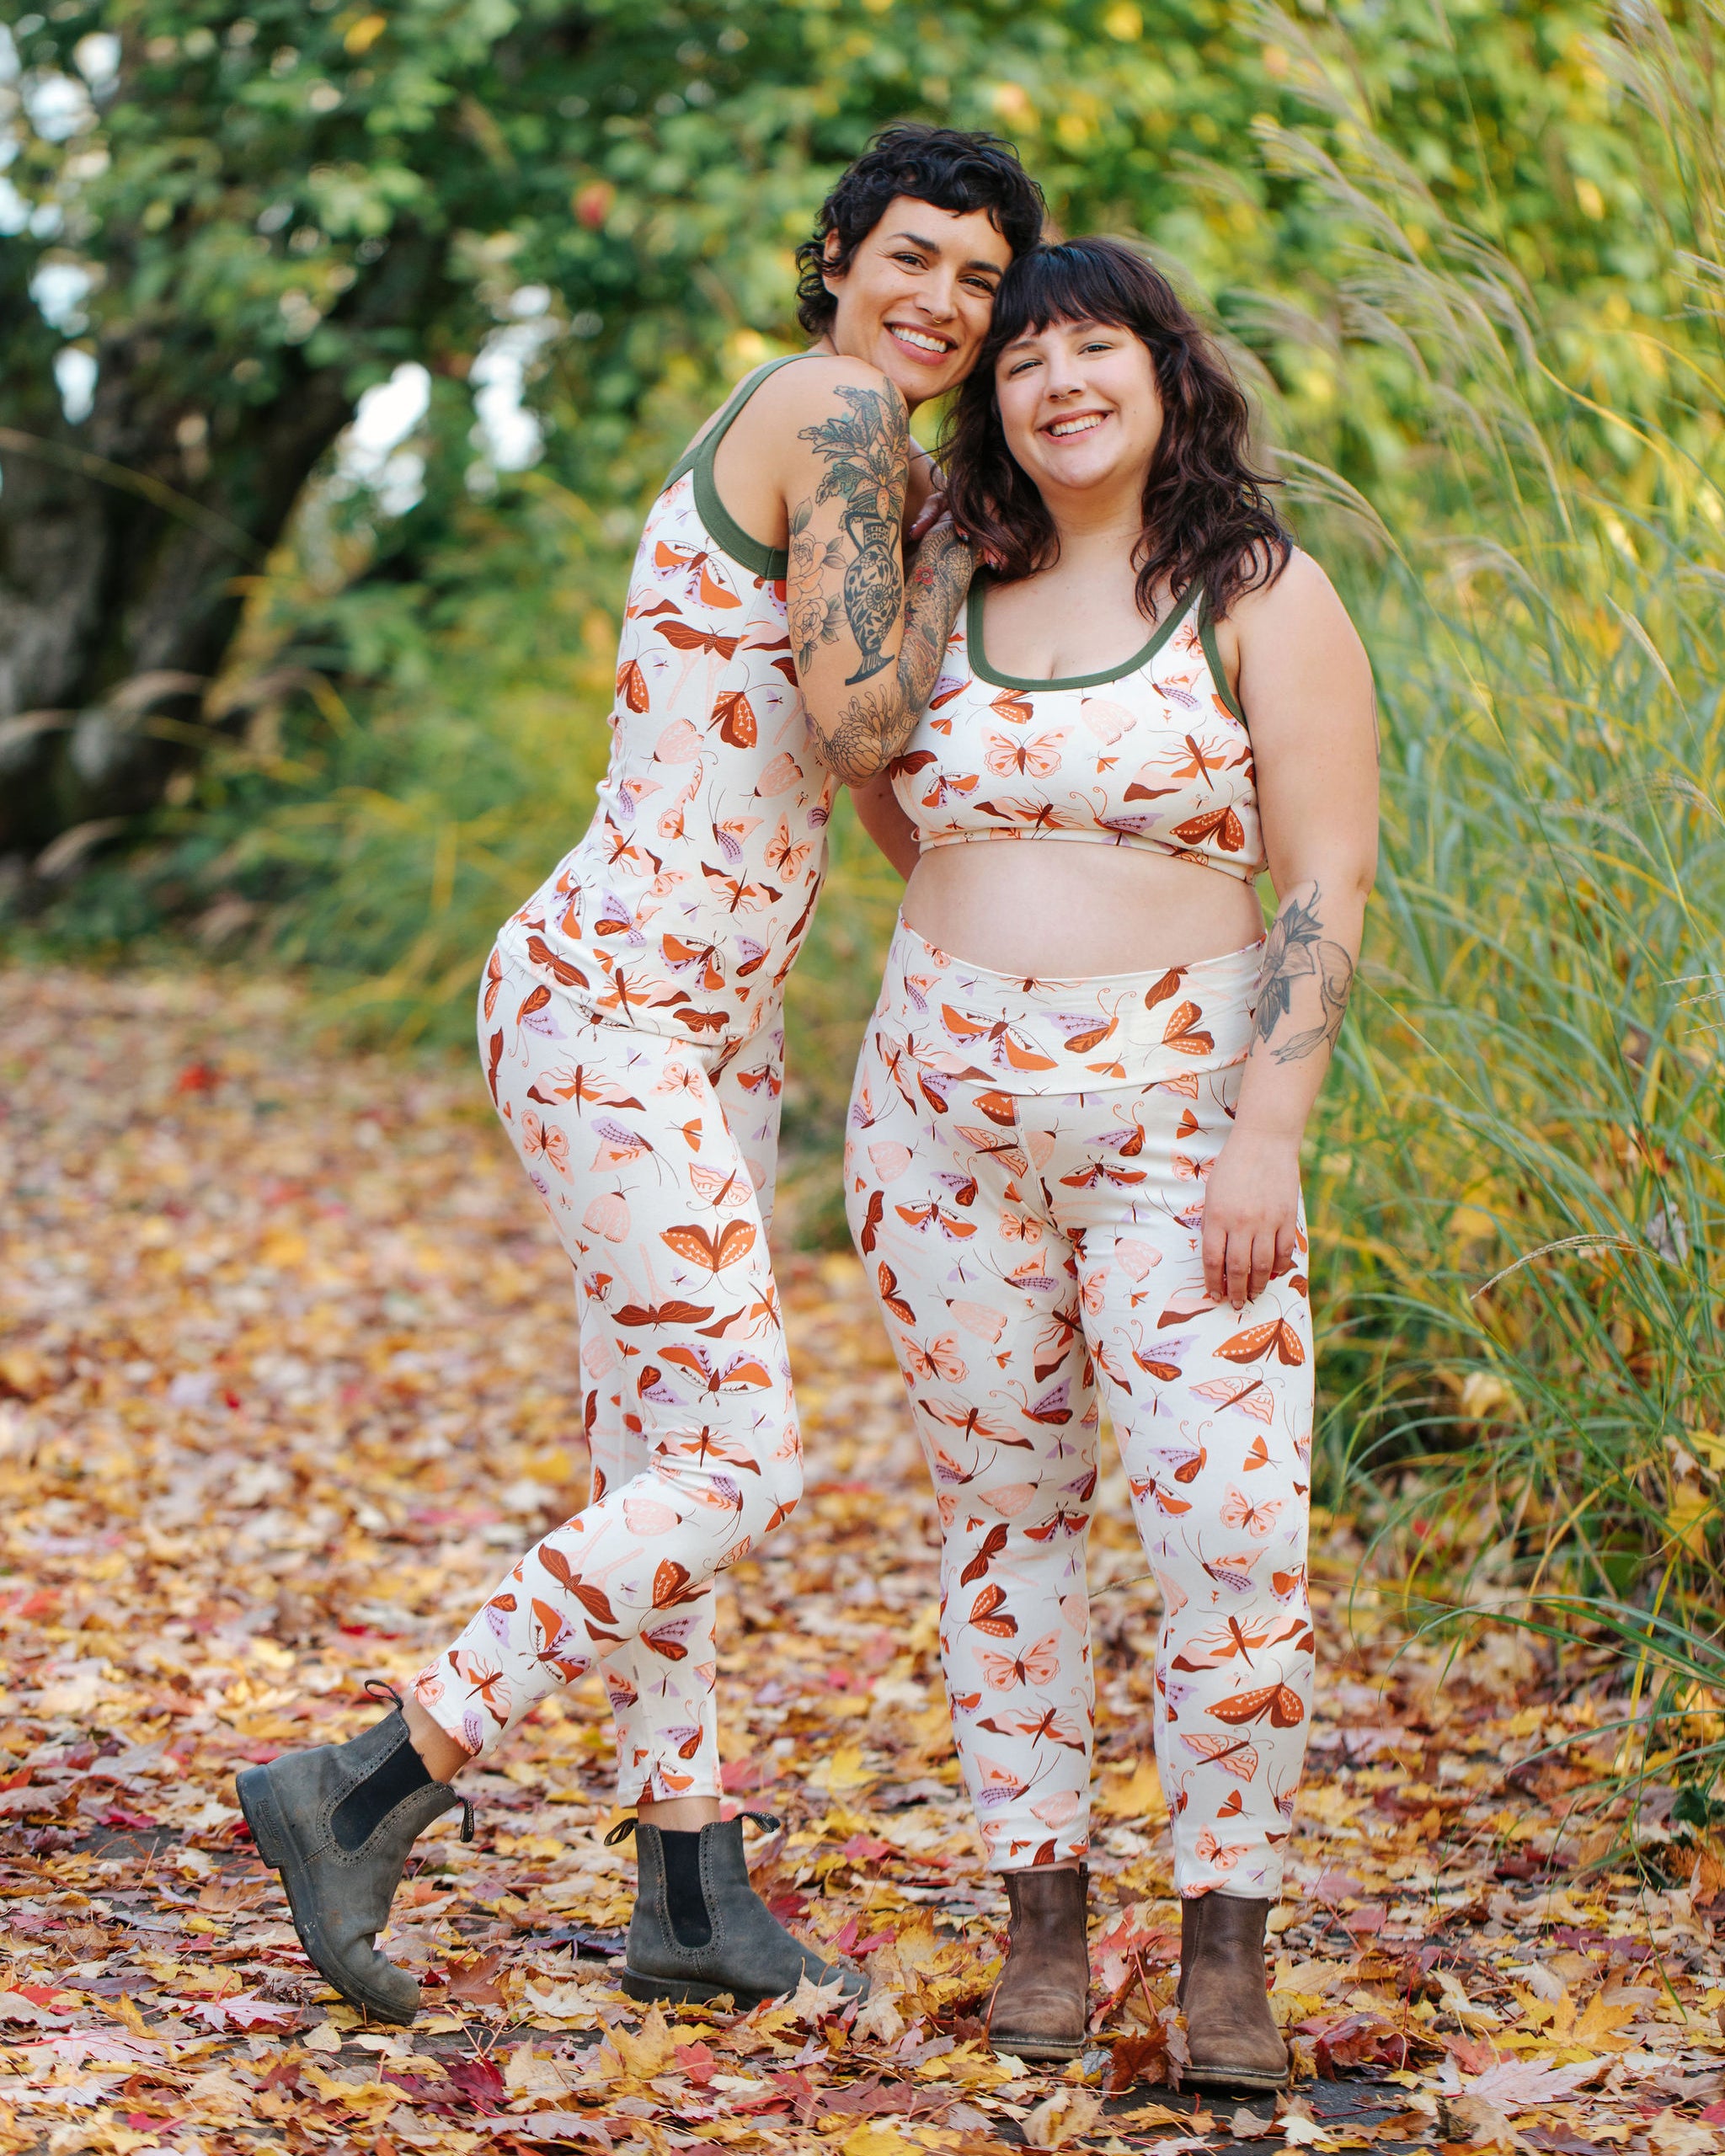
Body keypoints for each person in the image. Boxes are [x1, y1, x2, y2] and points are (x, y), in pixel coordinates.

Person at [235, 125, 1045, 2026]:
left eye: (982, 279)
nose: (939, 302)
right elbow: (865, 709)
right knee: (738, 1452)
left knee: (652, 1440)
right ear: (834, 258)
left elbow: (859, 779)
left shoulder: (878, 457)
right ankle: (367, 1777)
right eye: (910, 257)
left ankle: (687, 1878)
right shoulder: (834, 408)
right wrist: (955, 570)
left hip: (699, 1025)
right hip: (610, 1006)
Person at [844, 237, 1378, 2088]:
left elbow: (1322, 872)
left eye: (1094, 348)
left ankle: (1225, 1942)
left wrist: (1269, 1130)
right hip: (937, 1119)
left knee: (1224, 1528)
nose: (1057, 381)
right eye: (1022, 361)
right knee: (1005, 1523)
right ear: (992, 400)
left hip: (1180, 1125)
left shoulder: (1253, 583)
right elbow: (866, 763)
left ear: (1163, 371)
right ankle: (1043, 1921)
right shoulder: (950, 570)